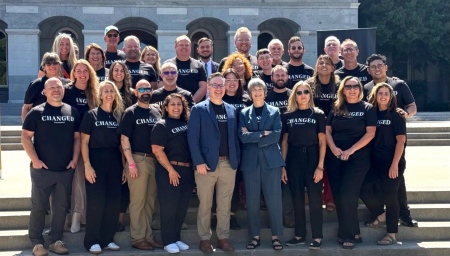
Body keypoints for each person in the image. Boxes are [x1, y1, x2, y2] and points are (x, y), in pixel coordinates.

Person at [22, 77, 81, 256]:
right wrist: (35, 160)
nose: (56, 90)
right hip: (42, 170)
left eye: (59, 87)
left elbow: (77, 138)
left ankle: (56, 240)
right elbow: (25, 137)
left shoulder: (72, 111)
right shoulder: (36, 112)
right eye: (52, 87)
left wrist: (74, 159)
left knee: (61, 207)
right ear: (44, 92)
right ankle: (37, 243)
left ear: (63, 90)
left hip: (65, 169)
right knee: (39, 206)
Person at [187, 72, 240, 253]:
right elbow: (192, 139)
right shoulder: (199, 109)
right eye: (215, 85)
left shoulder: (232, 110)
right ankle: (204, 239)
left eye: (221, 85)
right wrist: (198, 162)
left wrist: (236, 159)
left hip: (228, 164)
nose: (218, 88)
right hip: (206, 165)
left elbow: (234, 138)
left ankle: (223, 237)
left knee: (225, 204)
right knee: (205, 204)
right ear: (208, 87)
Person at [364, 54, 418, 227]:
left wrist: (406, 114)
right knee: (376, 180)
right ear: (368, 70)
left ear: (386, 67)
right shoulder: (366, 88)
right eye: (373, 66)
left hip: (395, 141)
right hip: (374, 143)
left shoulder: (398, 84)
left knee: (397, 178)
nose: (377, 69)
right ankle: (381, 213)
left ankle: (404, 213)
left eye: (380, 65)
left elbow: (412, 106)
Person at [325, 76, 377, 249]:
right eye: (348, 86)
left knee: (348, 196)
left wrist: (350, 151)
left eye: (355, 86)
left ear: (360, 89)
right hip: (335, 158)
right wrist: (333, 148)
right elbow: (327, 130)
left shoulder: (367, 108)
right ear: (343, 89)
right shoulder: (337, 107)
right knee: (339, 197)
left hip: (357, 159)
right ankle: (351, 232)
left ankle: (348, 235)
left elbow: (370, 134)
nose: (352, 89)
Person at [238, 78, 285, 251]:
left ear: (265, 92)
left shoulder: (274, 111)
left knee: (274, 199)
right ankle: (255, 236)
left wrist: (253, 135)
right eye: (254, 90)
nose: (257, 93)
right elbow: (242, 137)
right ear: (249, 94)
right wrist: (262, 134)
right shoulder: (243, 113)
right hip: (250, 162)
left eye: (260, 89)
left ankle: (275, 237)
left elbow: (276, 136)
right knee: (252, 200)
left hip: (271, 161)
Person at [117, 79, 163, 250]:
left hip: (154, 160)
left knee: (150, 201)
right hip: (137, 159)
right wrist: (130, 164)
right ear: (135, 92)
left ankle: (148, 236)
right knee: (138, 201)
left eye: (148, 89)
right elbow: (124, 138)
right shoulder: (130, 112)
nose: (145, 91)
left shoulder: (157, 112)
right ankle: (137, 238)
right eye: (141, 89)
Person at [360, 82, 407, 246]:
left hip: (392, 160)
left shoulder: (396, 115)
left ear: (391, 96)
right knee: (363, 187)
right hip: (374, 160)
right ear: (375, 95)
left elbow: (401, 141)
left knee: (390, 195)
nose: (383, 96)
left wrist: (394, 165)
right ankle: (380, 214)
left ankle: (392, 234)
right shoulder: (371, 113)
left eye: (387, 93)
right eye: (380, 93)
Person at [80, 81, 124, 254]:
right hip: (95, 160)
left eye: (111, 91)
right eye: (105, 91)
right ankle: (92, 241)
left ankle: (107, 239)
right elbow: (84, 142)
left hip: (114, 160)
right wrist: (87, 165)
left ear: (115, 95)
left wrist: (123, 167)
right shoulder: (91, 116)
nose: (108, 94)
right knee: (96, 201)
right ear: (99, 95)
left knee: (113, 202)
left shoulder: (118, 116)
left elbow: (121, 144)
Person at [281, 81, 326, 249]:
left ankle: (317, 237)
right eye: (299, 92)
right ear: (295, 96)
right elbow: (284, 141)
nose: (303, 95)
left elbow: (323, 142)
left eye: (306, 91)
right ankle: (299, 235)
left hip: (313, 157)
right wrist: (283, 165)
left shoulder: (318, 114)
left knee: (315, 199)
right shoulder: (287, 115)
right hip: (293, 158)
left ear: (310, 94)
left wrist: (320, 166)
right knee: (297, 199)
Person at [151, 93, 194, 254]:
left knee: (181, 207)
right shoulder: (161, 125)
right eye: (173, 104)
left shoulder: (187, 123)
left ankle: (176, 238)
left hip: (187, 170)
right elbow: (157, 150)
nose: (176, 107)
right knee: (169, 207)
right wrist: (171, 170)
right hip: (169, 171)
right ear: (166, 107)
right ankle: (168, 240)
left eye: (179, 104)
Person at [210, 68, 250, 231]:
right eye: (228, 80)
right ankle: (214, 215)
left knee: (233, 184)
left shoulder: (247, 99)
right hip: (221, 148)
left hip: (242, 147)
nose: (232, 83)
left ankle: (230, 215)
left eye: (235, 80)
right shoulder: (217, 99)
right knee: (216, 184)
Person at [63, 59, 100, 234]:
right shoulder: (67, 91)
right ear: (74, 73)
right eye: (79, 70)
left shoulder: (95, 92)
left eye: (86, 71)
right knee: (78, 180)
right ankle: (76, 216)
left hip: (93, 141)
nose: (82, 74)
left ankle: (85, 215)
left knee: (89, 180)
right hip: (71, 140)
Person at [307, 54, 340, 212]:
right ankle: (314, 196)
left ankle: (329, 198)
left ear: (333, 68)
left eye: (328, 63)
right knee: (316, 164)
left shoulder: (339, 86)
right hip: (314, 130)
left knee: (330, 167)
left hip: (334, 131)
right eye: (321, 63)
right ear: (316, 67)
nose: (324, 65)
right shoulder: (309, 85)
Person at [265, 65, 294, 227]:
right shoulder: (267, 97)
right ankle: (273, 217)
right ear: (272, 78)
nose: (280, 77)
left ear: (287, 77)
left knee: (287, 181)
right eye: (277, 75)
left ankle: (287, 215)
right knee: (272, 183)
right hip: (271, 144)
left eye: (283, 75)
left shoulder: (294, 95)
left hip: (292, 143)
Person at [108, 61, 134, 231]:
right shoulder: (104, 91)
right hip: (109, 140)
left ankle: (119, 219)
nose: (118, 73)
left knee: (125, 184)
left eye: (121, 70)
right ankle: (108, 216)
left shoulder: (131, 94)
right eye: (115, 70)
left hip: (128, 139)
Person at [22, 52, 71, 122]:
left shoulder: (68, 84)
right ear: (44, 67)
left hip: (63, 124)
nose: (52, 66)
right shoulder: (36, 84)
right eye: (48, 64)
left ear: (60, 65)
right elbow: (26, 108)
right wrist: (26, 127)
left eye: (55, 63)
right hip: (40, 125)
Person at [162, 35, 207, 103]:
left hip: (193, 106)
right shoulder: (168, 64)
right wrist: (175, 103)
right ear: (175, 46)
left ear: (190, 47)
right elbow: (162, 85)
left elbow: (203, 87)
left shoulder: (198, 65)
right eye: (181, 45)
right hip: (172, 106)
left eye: (187, 45)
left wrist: (190, 102)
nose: (184, 47)